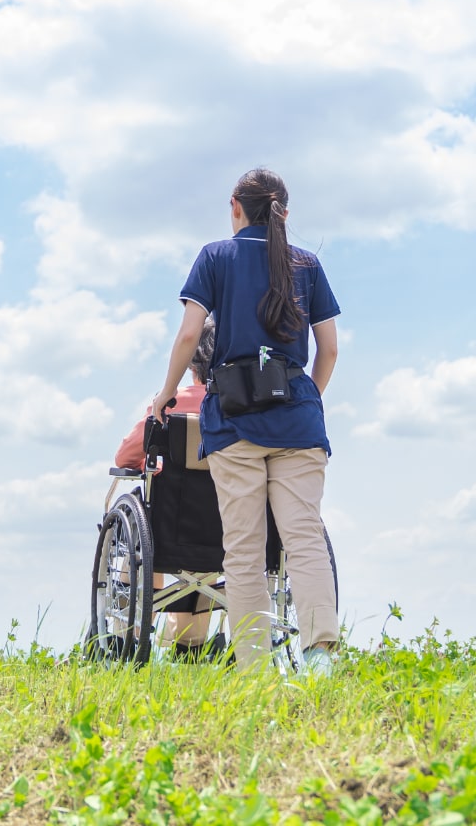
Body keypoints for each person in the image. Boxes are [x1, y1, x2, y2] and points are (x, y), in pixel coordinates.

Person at [150, 168, 341, 675]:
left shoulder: (216, 257)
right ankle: (320, 657)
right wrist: (306, 400)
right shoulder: (308, 264)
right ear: (284, 211)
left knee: (244, 549)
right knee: (303, 538)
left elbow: (191, 336)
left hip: (234, 419)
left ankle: (255, 671)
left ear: (235, 205)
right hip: (298, 419)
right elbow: (330, 349)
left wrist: (166, 395)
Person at [114, 318, 218, 656]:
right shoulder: (244, 413)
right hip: (229, 533)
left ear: (191, 361)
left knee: (143, 536)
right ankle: (190, 642)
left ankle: (123, 637)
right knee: (214, 546)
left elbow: (126, 456)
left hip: (167, 531)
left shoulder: (169, 405)